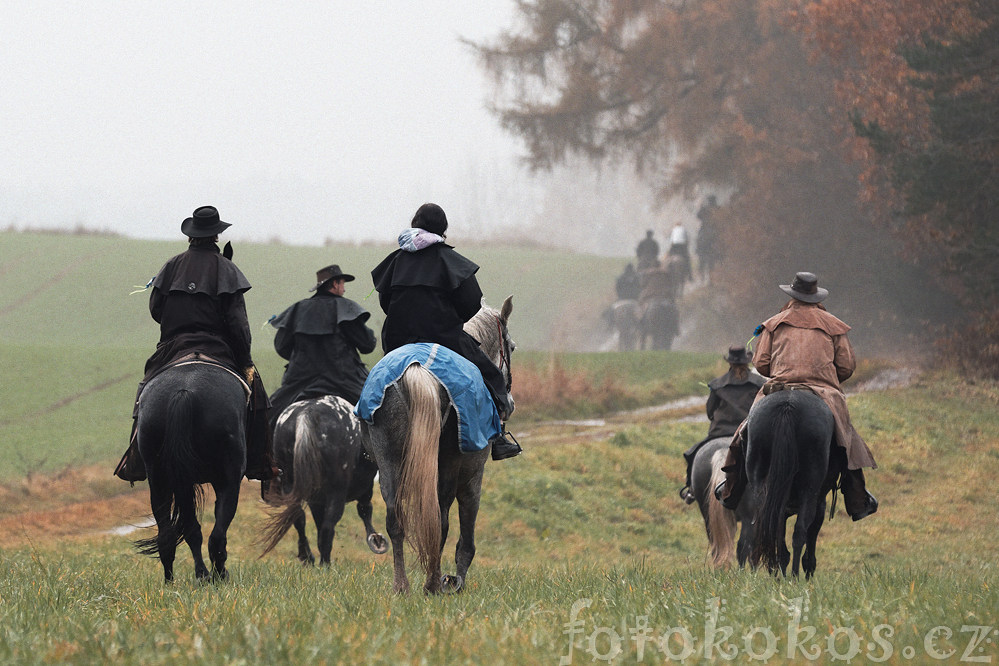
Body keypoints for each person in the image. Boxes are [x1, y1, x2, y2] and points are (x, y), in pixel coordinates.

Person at [114, 206, 277, 483]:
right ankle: (262, 463)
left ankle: (136, 458)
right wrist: (246, 360)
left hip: (173, 347)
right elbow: (239, 325)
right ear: (217, 235)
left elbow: (156, 310)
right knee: (259, 398)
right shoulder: (227, 269)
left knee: (146, 390)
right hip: (219, 348)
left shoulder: (171, 266)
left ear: (191, 234)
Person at [715, 272, 879, 521]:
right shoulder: (834, 325)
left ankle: (732, 488)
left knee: (745, 430)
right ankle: (857, 496)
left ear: (792, 294)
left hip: (780, 386)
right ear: (815, 296)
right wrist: (826, 379)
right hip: (822, 390)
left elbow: (760, 364)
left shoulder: (774, 323)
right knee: (846, 437)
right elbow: (846, 367)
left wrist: (783, 373)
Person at [370, 202, 521, 460]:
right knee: (492, 377)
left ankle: (368, 441)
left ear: (415, 224)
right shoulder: (450, 261)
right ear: (443, 229)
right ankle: (497, 438)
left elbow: (385, 303)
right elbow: (472, 305)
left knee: (375, 382)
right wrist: (450, 320)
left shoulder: (395, 262)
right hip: (443, 338)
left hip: (397, 341)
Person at [268, 264, 376, 419]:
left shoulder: (298, 309)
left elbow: (281, 346)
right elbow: (367, 345)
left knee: (266, 417)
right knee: (378, 413)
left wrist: (300, 357)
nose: (344, 289)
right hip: (345, 380)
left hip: (300, 381)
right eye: (342, 284)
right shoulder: (346, 309)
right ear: (334, 284)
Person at [678, 345, 764, 504]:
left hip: (720, 431)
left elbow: (710, 411)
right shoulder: (759, 383)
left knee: (693, 455)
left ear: (730, 363)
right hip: (748, 432)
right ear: (747, 362)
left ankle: (691, 490)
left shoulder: (717, 384)